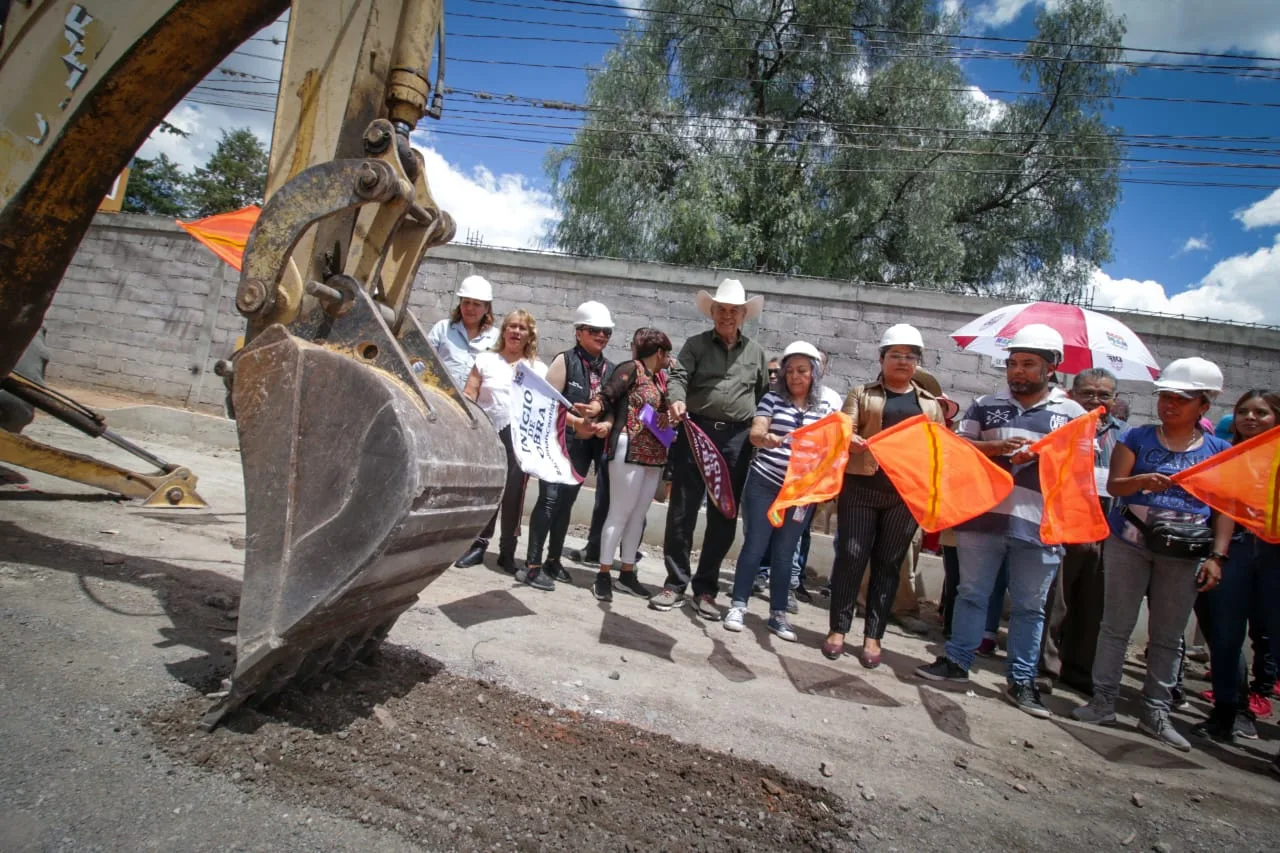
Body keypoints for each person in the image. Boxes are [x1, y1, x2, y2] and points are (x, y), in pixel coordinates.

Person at [916, 324, 1087, 720]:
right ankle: (957, 662)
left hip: (1039, 525)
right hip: (983, 518)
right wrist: (993, 448)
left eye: (1028, 364)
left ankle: (1023, 682)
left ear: (1052, 367)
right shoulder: (984, 405)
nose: (1018, 371)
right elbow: (957, 447)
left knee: (1030, 607)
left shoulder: (1072, 414)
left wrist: (1045, 458)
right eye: (1012, 363)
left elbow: (1083, 470)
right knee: (972, 593)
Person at [1072, 357, 1231, 751]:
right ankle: (1103, 700)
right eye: (1165, 397)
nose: (1170, 405)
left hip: (1184, 552)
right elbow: (1118, 486)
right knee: (1115, 626)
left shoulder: (1218, 450)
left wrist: (1218, 556)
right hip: (1130, 543)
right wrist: (1140, 480)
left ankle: (1156, 712)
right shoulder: (1138, 439)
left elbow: (1225, 507)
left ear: (1204, 406)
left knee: (1168, 635)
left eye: (1181, 399)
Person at [825, 325, 946, 666]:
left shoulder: (930, 404)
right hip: (861, 487)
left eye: (910, 356)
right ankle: (838, 628)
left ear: (918, 363)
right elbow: (843, 427)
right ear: (882, 359)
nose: (903, 362)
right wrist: (851, 439)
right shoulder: (862, 393)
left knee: (889, 565)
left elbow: (938, 447)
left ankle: (873, 636)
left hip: (903, 494)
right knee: (851, 556)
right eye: (896, 355)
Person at [650, 279, 770, 619]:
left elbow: (764, 398)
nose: (727, 316)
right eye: (721, 310)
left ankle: (706, 590)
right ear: (713, 312)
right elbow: (678, 379)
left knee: (724, 514)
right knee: (682, 510)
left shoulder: (756, 353)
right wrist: (675, 401)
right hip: (696, 432)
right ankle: (675, 583)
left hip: (737, 442)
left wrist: (761, 430)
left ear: (743, 315)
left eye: (734, 311)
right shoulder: (696, 345)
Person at [724, 341, 833, 641]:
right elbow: (757, 432)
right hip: (764, 483)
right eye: (790, 371)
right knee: (755, 546)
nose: (796, 377)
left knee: (785, 553)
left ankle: (778, 615)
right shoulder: (772, 400)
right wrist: (766, 438)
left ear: (814, 373)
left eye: (803, 370)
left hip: (799, 492)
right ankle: (738, 606)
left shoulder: (824, 407)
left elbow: (830, 443)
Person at [1191, 390, 1280, 743]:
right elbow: (1225, 508)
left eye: (1261, 412)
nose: (1251, 418)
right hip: (1236, 553)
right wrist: (1218, 555)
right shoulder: (1230, 456)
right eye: (1244, 411)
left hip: (1275, 557)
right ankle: (1227, 713)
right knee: (1225, 637)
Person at [1039, 367, 1126, 694]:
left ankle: (1079, 670)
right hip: (1065, 519)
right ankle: (1044, 668)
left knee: (1093, 603)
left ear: (1114, 400)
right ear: (1073, 396)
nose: (1095, 400)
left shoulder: (1125, 435)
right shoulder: (1061, 430)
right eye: (1087, 393)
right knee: (1054, 601)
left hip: (1106, 525)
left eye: (1103, 395)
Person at [575, 328, 674, 602]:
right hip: (628, 448)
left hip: (653, 456)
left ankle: (628, 572)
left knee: (638, 515)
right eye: (667, 354)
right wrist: (595, 409)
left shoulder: (661, 379)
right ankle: (604, 573)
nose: (669, 359)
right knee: (619, 512)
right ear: (659, 353)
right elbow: (608, 393)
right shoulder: (632, 369)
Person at [523, 302, 615, 587]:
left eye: (606, 332)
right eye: (595, 331)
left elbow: (611, 409)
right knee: (549, 501)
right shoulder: (565, 361)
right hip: (557, 445)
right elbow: (547, 404)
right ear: (579, 332)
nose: (601, 336)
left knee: (566, 505)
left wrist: (604, 426)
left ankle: (552, 561)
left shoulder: (610, 369)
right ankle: (532, 565)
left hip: (584, 450)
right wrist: (577, 423)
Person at [454, 310, 546, 575]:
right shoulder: (485, 360)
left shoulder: (538, 369)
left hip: (519, 441)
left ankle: (507, 552)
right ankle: (478, 545)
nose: (516, 332)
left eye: (522, 328)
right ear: (504, 331)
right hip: (488, 435)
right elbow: (469, 394)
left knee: (514, 496)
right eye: (512, 327)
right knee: (487, 490)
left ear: (530, 335)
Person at [426, 275, 499, 389]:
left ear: (486, 308)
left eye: (476, 304)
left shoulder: (495, 338)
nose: (470, 308)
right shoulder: (443, 328)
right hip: (439, 396)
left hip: (474, 403)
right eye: (466, 302)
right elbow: (423, 359)